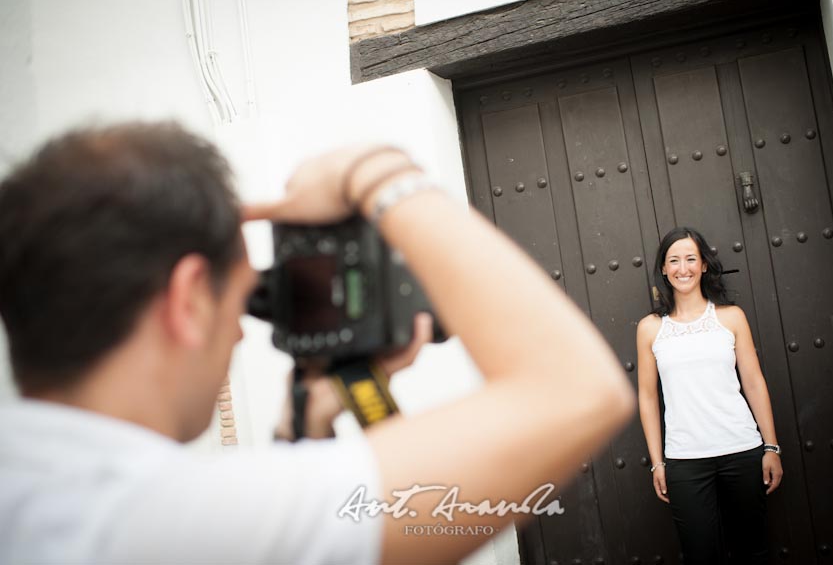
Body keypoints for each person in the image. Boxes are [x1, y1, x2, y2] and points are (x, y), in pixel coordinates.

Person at [0, 121, 635, 564]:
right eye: (239, 302)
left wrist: (308, 422)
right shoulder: (152, 522)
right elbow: (578, 393)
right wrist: (376, 171)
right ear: (189, 298)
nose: (246, 334)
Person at [636, 226, 783, 565]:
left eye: (691, 259)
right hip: (685, 461)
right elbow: (647, 397)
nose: (682, 268)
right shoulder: (650, 328)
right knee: (700, 555)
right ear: (663, 268)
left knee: (753, 550)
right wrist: (658, 461)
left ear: (703, 265)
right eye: (674, 260)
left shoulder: (731, 318)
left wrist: (771, 446)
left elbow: (754, 381)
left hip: (742, 450)